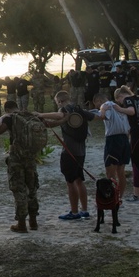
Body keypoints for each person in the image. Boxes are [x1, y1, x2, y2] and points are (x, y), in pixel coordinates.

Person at [0, 100, 42, 233]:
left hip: (16, 158)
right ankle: (33, 221)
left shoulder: (10, 118)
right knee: (32, 188)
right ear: (17, 106)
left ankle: (21, 223)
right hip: (31, 157)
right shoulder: (29, 116)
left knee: (19, 189)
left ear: (6, 109)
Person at [37, 91, 93, 220]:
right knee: (80, 180)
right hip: (81, 151)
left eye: (57, 102)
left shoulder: (65, 110)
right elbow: (95, 116)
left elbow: (60, 115)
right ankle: (84, 210)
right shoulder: (79, 109)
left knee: (70, 182)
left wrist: (40, 114)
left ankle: (74, 212)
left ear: (60, 101)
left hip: (69, 152)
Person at [99, 88, 132, 201]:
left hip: (113, 139)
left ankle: (112, 197)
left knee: (110, 172)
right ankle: (119, 197)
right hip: (124, 139)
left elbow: (102, 116)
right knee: (121, 171)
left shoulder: (107, 105)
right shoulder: (125, 108)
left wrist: (102, 109)